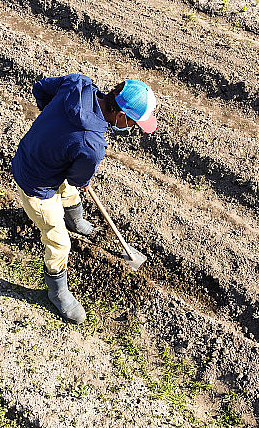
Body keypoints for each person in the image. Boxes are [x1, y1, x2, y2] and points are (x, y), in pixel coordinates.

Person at [12, 74, 157, 324]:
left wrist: (56, 129)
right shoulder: (91, 143)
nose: (132, 128)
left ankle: (76, 221)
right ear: (121, 116)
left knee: (68, 190)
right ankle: (57, 292)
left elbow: (41, 89)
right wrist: (80, 171)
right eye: (133, 123)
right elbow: (79, 178)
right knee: (59, 243)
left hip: (37, 151)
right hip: (35, 182)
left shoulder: (78, 84)